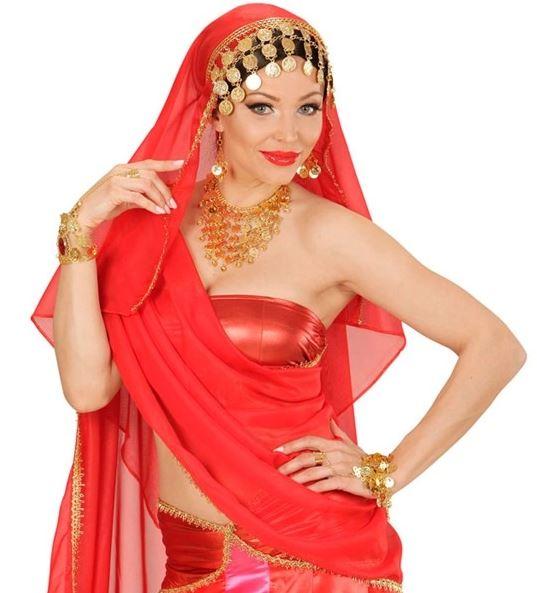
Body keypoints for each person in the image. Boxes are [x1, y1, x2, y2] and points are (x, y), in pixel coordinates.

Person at [30, 3, 527, 593]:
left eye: (308, 108)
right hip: (189, 559)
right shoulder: (151, 223)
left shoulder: (331, 235)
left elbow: (494, 345)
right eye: (262, 106)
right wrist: (80, 230)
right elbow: (88, 388)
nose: (290, 134)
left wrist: (385, 472)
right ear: (216, 110)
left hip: (307, 559)